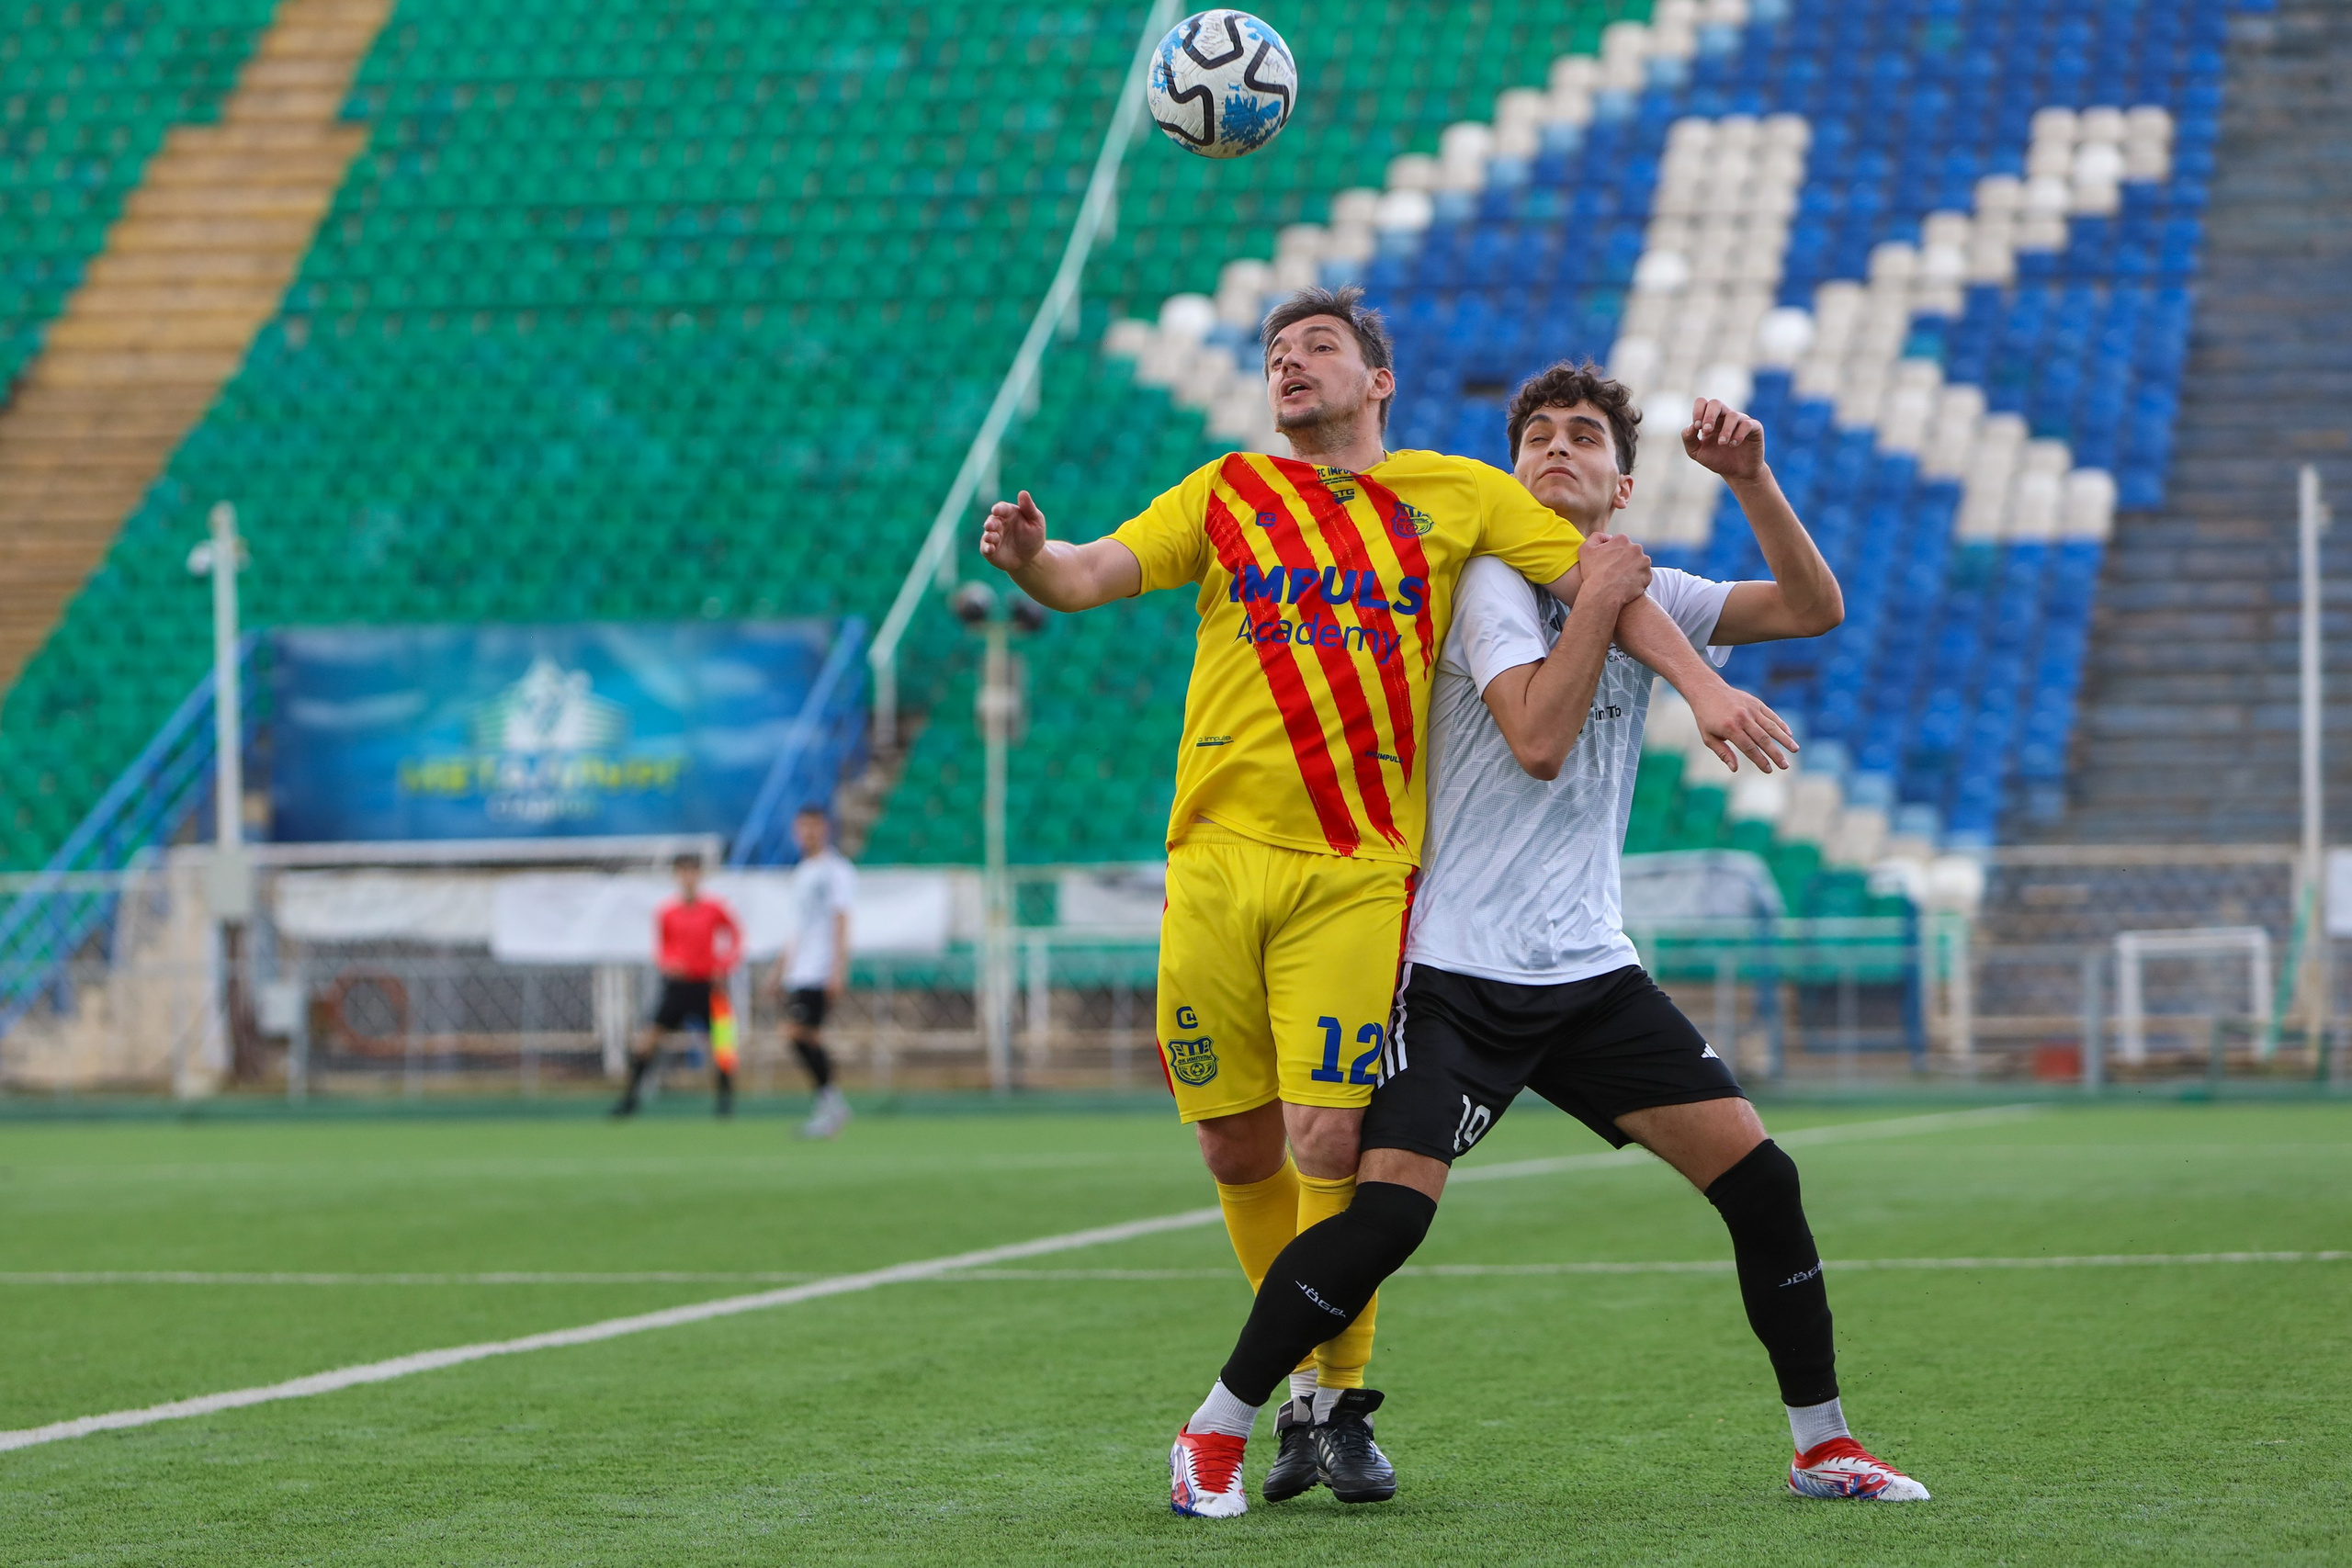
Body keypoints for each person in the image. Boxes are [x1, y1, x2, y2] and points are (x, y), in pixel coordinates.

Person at [978, 286, 1796, 1508]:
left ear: (1379, 380)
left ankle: (1329, 1399)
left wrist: (1701, 686)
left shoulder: (1459, 495)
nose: (1290, 363)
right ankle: (1302, 1397)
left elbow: (1609, 584)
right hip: (1212, 862)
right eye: (1276, 351)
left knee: (1327, 1140)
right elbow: (1091, 572)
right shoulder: (1226, 492)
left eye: (1318, 346)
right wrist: (1033, 559)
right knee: (1232, 1142)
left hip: (1358, 870)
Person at [1166, 363, 1928, 1517]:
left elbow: (1811, 608)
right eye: (1535, 437)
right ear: (1510, 475)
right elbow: (1535, 740)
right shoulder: (1480, 577)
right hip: (1453, 972)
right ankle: (1215, 1428)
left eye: (1583, 436)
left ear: (1621, 487)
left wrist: (1751, 481)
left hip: (1588, 973)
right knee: (1388, 1217)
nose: (1557, 447)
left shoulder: (1645, 585)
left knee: (1763, 1184)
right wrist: (1664, 653)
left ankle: (1822, 1447)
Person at [613, 852, 742, 1118]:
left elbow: (735, 937)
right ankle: (631, 1099)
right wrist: (670, 963)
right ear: (677, 876)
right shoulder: (668, 912)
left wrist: (723, 965)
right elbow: (662, 949)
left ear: (700, 875)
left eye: (693, 872)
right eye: (683, 872)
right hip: (678, 987)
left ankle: (725, 1103)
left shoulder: (714, 909)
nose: (688, 878)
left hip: (708, 985)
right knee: (647, 1040)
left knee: (722, 1043)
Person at [777, 806, 855, 1140]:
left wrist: (837, 969)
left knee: (796, 1033)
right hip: (801, 968)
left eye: (814, 826)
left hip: (820, 968)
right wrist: (780, 970)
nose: (808, 833)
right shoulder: (803, 871)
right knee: (806, 1036)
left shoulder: (835, 870)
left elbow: (841, 919)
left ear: (825, 829)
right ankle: (830, 1106)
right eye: (803, 827)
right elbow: (798, 928)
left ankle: (831, 1104)